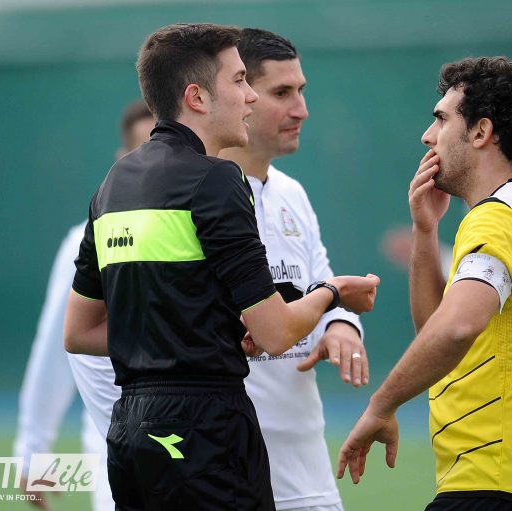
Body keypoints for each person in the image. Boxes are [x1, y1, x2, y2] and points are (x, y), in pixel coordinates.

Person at [63, 23, 379, 511]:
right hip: (205, 432)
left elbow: (79, 333)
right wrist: (333, 294)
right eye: (239, 81)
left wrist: (202, 332)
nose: (249, 96)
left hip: (132, 437)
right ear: (196, 97)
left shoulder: (115, 183)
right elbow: (276, 334)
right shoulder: (217, 179)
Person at [337, 56, 512, 511]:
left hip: (502, 485)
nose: (428, 135)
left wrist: (381, 405)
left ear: (481, 132)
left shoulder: (500, 219)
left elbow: (457, 327)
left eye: (441, 119)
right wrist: (425, 231)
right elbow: (437, 331)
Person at [12, 99, 153, 511]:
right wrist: (32, 448)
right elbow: (57, 347)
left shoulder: (216, 229)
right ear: (122, 160)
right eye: (145, 151)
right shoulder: (88, 240)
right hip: (120, 453)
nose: (160, 163)